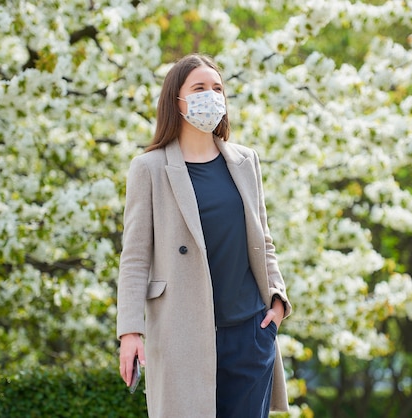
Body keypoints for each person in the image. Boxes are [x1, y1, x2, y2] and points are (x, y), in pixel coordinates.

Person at [117, 53, 292, 418]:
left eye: (217, 89)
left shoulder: (245, 161)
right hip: (182, 333)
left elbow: (264, 239)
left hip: (250, 331)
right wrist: (130, 333)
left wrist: (277, 300)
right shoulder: (148, 168)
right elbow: (134, 258)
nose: (210, 96)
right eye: (199, 88)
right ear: (176, 100)